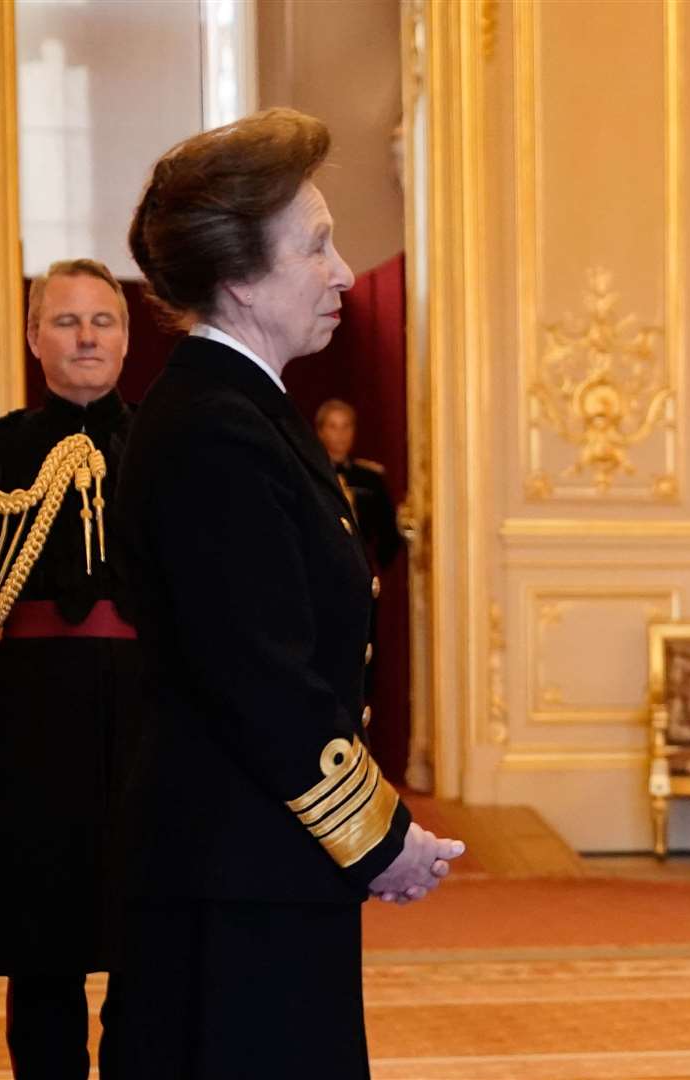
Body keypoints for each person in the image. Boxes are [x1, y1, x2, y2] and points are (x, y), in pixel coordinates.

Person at [117, 106, 463, 1078]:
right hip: (231, 877)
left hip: (260, 860)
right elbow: (259, 674)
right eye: (315, 245)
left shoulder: (245, 411)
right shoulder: (212, 430)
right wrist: (379, 836)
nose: (344, 270)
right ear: (237, 278)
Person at [0, 258, 137, 1078]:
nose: (86, 337)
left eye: (103, 321)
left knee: (146, 940)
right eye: (65, 321)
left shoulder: (173, 445)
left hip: (148, 717)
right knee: (42, 945)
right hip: (32, 718)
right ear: (33, 337)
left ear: (126, 337)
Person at [316, 399, 403, 566]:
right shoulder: (314, 474)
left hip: (363, 564)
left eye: (346, 426)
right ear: (320, 432)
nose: (340, 434)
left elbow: (387, 531)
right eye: (333, 427)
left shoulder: (370, 478)